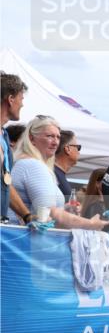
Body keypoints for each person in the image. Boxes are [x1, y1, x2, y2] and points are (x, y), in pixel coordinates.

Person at [11, 116, 108, 230]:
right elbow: (50, 215)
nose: (56, 142)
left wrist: (64, 208)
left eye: (58, 137)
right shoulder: (33, 165)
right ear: (31, 139)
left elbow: (42, 210)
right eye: (50, 136)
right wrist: (90, 223)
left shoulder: (27, 163)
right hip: (26, 241)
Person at [1, 72, 34, 224]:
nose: (22, 104)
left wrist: (27, 215)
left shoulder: (4, 135)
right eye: (21, 98)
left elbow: (4, 182)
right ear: (10, 99)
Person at [53, 129, 81, 201]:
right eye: (78, 147)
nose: (79, 152)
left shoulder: (56, 173)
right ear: (67, 149)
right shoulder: (52, 174)